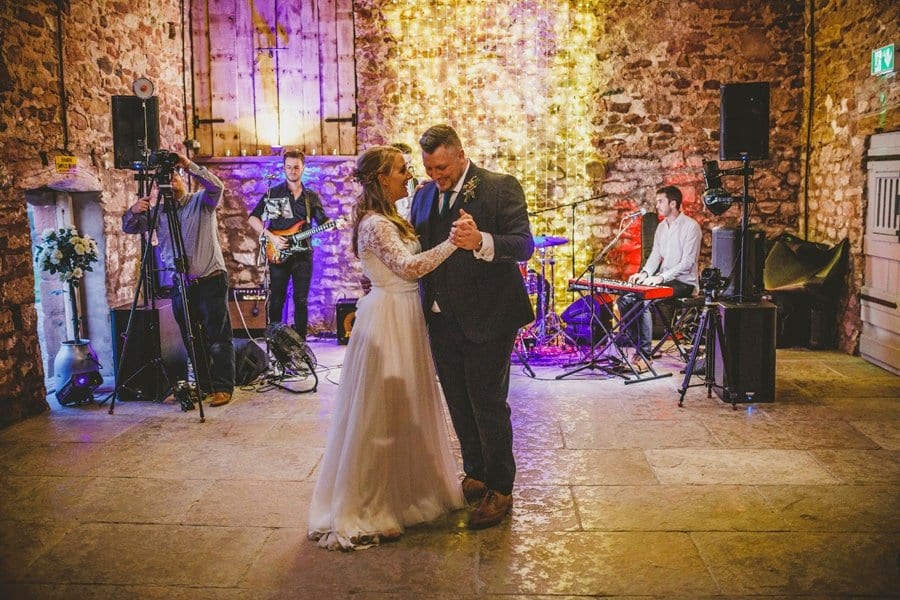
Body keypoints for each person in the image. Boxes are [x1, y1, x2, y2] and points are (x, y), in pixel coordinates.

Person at [307, 145, 465, 551]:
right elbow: (408, 267)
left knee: (404, 408)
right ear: (380, 178)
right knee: (382, 412)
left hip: (403, 313)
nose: (408, 175)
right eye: (400, 170)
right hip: (389, 318)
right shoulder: (376, 224)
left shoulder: (391, 217)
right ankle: (371, 506)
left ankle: (404, 497)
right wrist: (453, 243)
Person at [409, 124, 535, 530]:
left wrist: (481, 239)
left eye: (442, 167)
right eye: (429, 169)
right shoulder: (424, 195)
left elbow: (523, 244)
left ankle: (501, 485)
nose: (436, 177)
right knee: (458, 402)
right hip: (441, 317)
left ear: (461, 155)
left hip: (490, 317)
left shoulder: (499, 187)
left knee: (487, 402)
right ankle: (476, 473)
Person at [122, 152, 235, 407]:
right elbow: (128, 227)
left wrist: (189, 165)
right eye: (164, 181)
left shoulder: (201, 202)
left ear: (183, 180)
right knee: (191, 336)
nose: (170, 183)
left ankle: (223, 387)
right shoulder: (157, 213)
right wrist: (133, 210)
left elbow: (217, 186)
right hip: (181, 284)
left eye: (174, 178)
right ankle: (204, 386)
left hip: (210, 280)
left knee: (217, 337)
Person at [248, 150, 331, 339]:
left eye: (296, 167)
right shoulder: (274, 192)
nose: (292, 171)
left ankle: (301, 344)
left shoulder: (311, 197)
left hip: (303, 255)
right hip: (278, 253)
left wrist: (332, 225)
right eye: (289, 167)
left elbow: (322, 221)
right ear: (284, 168)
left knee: (301, 300)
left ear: (303, 168)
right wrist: (271, 237)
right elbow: (253, 218)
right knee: (277, 300)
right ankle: (276, 341)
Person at [617, 185, 702, 370]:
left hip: (684, 283)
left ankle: (645, 356)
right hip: (664, 278)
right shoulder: (662, 227)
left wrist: (660, 278)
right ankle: (637, 347)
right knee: (624, 299)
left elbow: (687, 263)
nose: (657, 205)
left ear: (673, 203)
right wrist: (645, 273)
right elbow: (655, 255)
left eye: (660, 201)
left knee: (645, 300)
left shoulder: (691, 227)